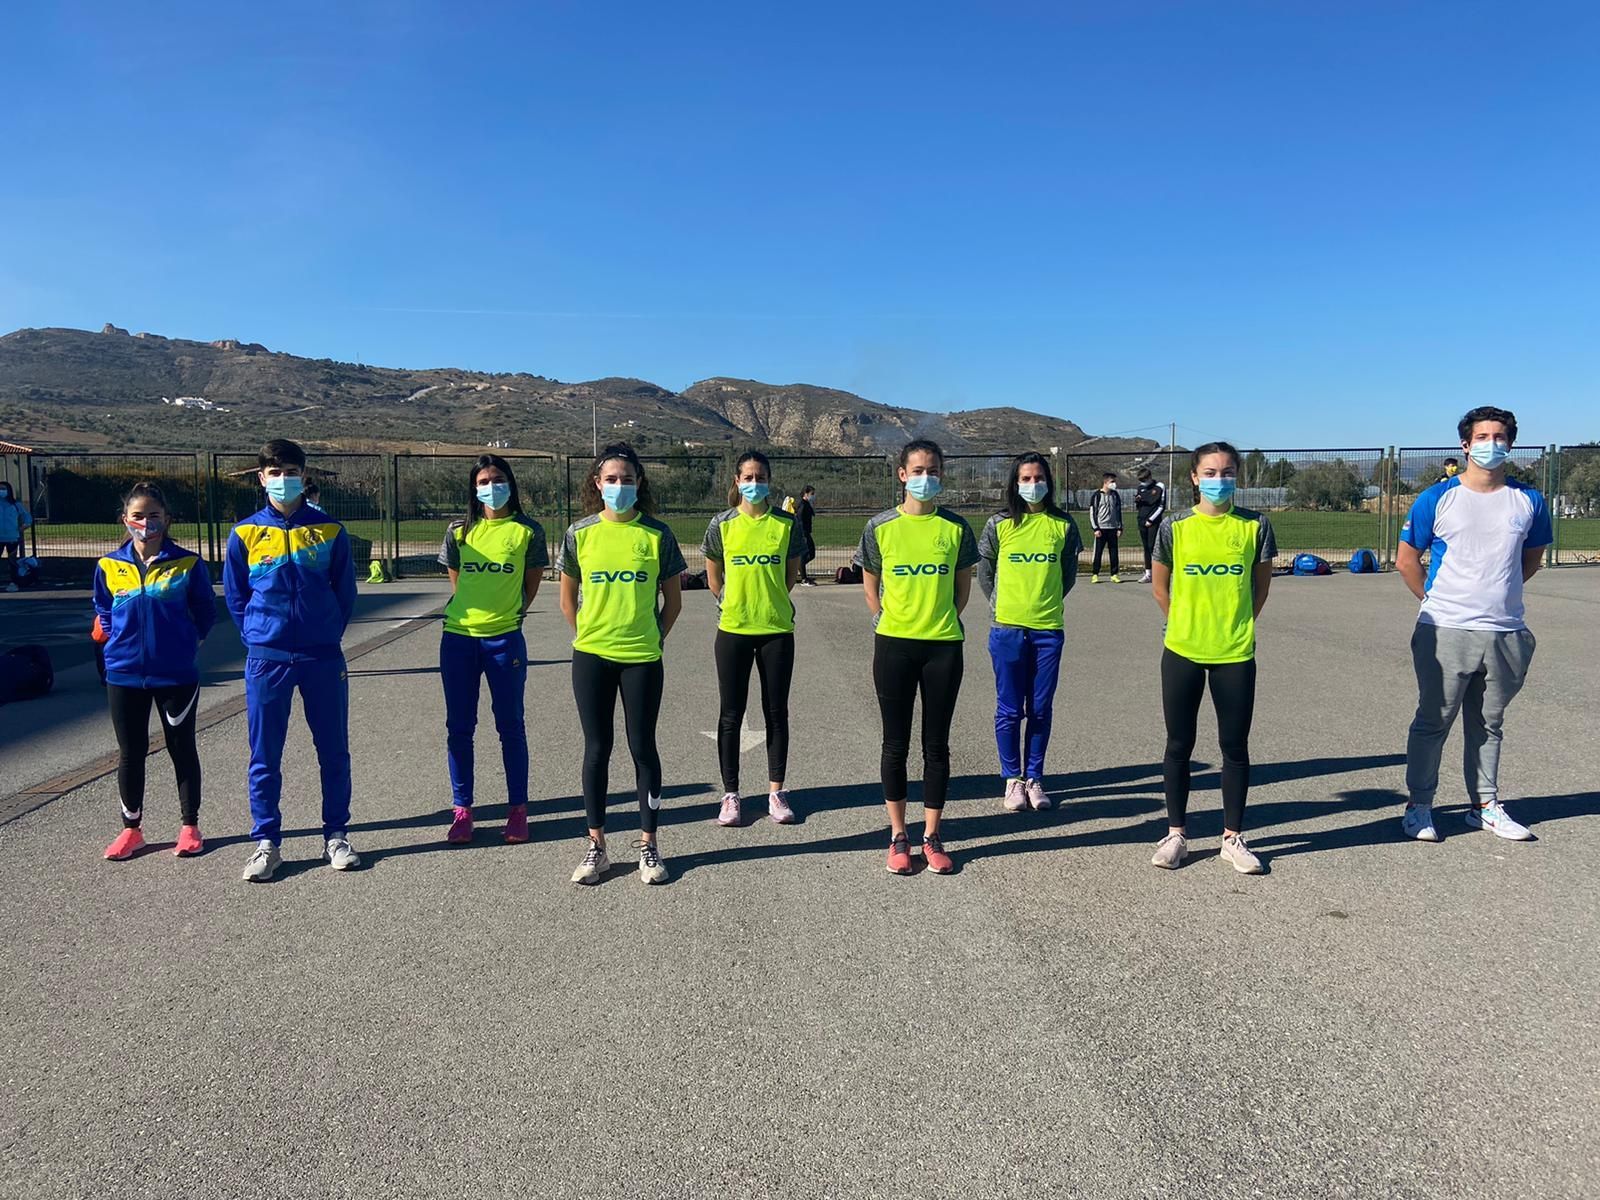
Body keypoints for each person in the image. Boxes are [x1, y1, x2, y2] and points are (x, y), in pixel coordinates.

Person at [1397, 406, 1549, 843]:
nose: (1491, 444)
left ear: (1511, 443)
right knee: (1433, 720)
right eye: (1482, 437)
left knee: (1488, 724)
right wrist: (1435, 599)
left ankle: (1484, 805)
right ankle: (1419, 806)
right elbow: (1408, 560)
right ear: (1465, 445)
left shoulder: (1529, 501)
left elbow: (1530, 560)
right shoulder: (1438, 498)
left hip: (1505, 631)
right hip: (1445, 629)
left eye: (1499, 437)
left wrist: (1498, 595)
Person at [224, 439, 359, 882]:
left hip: (321, 655)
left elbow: (345, 591)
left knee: (333, 749)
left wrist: (326, 632)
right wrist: (256, 635)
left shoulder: (329, 531)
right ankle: (267, 842)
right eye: (274, 472)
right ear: (261, 478)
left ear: (305, 475)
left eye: (291, 471)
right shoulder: (243, 533)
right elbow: (237, 595)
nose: (283, 480)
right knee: (264, 754)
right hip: (268, 658)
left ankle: (336, 835)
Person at [557, 443, 686, 885]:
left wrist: (652, 637)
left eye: (627, 479)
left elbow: (673, 600)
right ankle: (597, 846)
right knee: (597, 750)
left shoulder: (657, 534)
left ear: (639, 483)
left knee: (643, 748)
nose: (618, 486)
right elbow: (566, 596)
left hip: (642, 659)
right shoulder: (580, 533)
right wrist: (588, 636)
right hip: (592, 656)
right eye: (611, 479)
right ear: (597, 483)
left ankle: (649, 845)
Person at [1149, 441, 1276, 875]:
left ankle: (1232, 837)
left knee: (1234, 746)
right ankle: (1177, 833)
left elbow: (1260, 587)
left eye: (1227, 472)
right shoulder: (1174, 526)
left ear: (1236, 476)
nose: (1219, 480)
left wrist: (1235, 623)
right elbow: (1160, 586)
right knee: (1178, 745)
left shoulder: (1255, 526)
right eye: (1210, 472)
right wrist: (1184, 622)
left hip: (1235, 652)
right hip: (1182, 649)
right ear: (1193, 477)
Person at [856, 438, 979, 875]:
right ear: (902, 475)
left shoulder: (956, 528)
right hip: (894, 645)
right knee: (895, 744)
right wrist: (886, 618)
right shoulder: (880, 527)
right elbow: (870, 581)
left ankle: (931, 835)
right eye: (919, 470)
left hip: (943, 646)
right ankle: (898, 835)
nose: (927, 478)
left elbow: (962, 589)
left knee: (937, 745)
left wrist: (939, 619)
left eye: (934, 470)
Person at [93, 482, 216, 861]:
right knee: (131, 753)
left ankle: (189, 826)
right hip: (124, 674)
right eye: (139, 516)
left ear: (167, 519)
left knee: (182, 748)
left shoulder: (188, 563)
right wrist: (118, 642)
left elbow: (206, 611)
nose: (147, 522)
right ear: (125, 520)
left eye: (154, 515)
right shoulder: (108, 566)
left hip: (176, 675)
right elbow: (103, 609)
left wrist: (186, 645)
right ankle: (132, 830)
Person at [437, 455, 549, 845]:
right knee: (459, 728)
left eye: (498, 478)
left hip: (505, 641)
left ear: (511, 484)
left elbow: (530, 584)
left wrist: (510, 614)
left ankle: (517, 810)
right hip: (458, 639)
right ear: (474, 487)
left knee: (511, 726)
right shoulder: (459, 530)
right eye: (483, 480)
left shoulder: (528, 531)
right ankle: (462, 810)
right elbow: (457, 579)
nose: (491, 485)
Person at [702, 451, 804, 826]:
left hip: (776, 629)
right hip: (733, 630)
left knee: (776, 712)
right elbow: (714, 577)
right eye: (748, 476)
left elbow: (791, 575)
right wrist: (732, 602)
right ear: (737, 480)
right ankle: (731, 795)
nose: (755, 483)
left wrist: (770, 600)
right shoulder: (722, 524)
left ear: (769, 481)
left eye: (761, 476)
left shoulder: (786, 524)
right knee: (731, 713)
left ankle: (776, 792)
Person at [976, 453, 1082, 813]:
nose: (1032, 484)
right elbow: (985, 573)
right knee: (1009, 708)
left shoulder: (1063, 525)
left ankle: (1034, 777)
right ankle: (1012, 780)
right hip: (1006, 627)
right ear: (1014, 483)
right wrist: (1004, 606)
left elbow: (1067, 575)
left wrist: (1043, 601)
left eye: (1038, 477)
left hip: (1048, 628)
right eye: (1025, 478)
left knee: (1039, 708)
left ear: (1048, 481)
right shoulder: (999, 524)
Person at [1134, 467, 1166, 584]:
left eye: (1144, 480)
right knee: (1146, 547)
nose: (1143, 482)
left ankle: (1160, 572)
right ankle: (1148, 574)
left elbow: (1161, 506)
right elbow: (1139, 505)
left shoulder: (1160, 486)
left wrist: (1151, 520)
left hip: (1153, 522)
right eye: (1141, 480)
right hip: (1141, 520)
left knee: (1153, 546)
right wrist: (1138, 501)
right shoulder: (1140, 487)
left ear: (1149, 477)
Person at [1088, 473, 1123, 583]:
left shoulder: (1115, 495)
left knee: (1114, 552)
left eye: (1114, 481)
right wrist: (1095, 528)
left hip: (1113, 528)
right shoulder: (1097, 495)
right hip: (1101, 528)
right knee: (1098, 552)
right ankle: (1095, 574)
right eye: (1112, 482)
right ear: (1105, 483)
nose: (1114, 484)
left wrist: (1120, 527)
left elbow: (1118, 511)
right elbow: (1092, 513)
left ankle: (1114, 574)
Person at [0, 480, 31, 593]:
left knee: (12, 561)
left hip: (12, 538)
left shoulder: (15, 505)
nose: (1, 491)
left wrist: (24, 526)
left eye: (3, 489)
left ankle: (14, 582)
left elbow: (27, 516)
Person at [797, 484, 818, 586]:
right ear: (806, 494)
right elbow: (800, 519)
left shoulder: (807, 504)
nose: (813, 496)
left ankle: (800, 569)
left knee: (811, 554)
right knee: (806, 554)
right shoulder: (802, 505)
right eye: (812, 494)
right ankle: (803, 578)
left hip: (806, 532)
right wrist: (802, 534)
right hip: (803, 532)